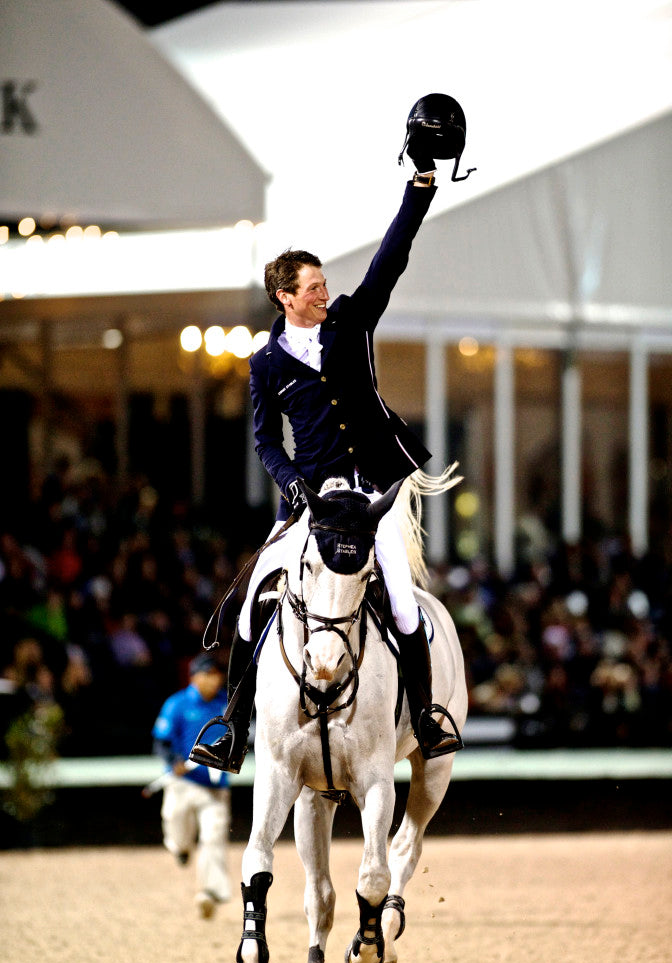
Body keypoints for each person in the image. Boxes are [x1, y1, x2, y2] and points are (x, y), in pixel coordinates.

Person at [191, 121, 464, 776]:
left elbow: (390, 257)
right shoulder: (264, 362)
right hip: (310, 498)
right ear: (284, 298)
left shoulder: (352, 319)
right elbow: (263, 438)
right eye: (310, 287)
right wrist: (293, 486)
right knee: (253, 592)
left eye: (321, 283)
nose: (322, 291)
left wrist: (420, 184)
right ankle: (233, 724)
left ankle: (425, 713)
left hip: (371, 493)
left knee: (400, 598)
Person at [151, 652, 232, 919]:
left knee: (213, 837)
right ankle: (180, 848)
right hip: (182, 782)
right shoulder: (177, 704)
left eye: (216, 674)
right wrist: (173, 761)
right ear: (194, 676)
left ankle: (209, 892)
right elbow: (161, 740)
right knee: (175, 821)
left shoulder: (227, 706)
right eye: (208, 674)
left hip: (215, 787)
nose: (214, 679)